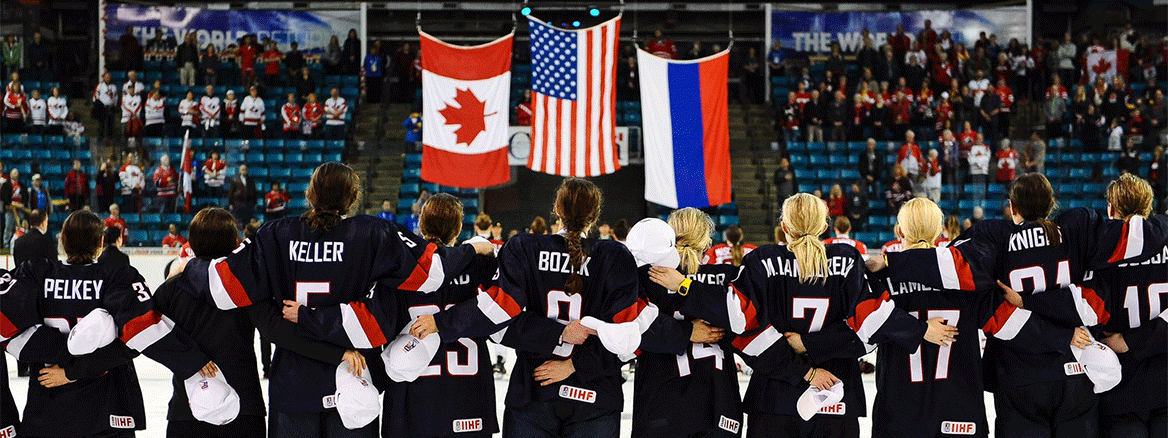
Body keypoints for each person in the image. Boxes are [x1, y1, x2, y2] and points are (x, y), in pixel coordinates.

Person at [175, 162, 493, 438]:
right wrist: (469, 249)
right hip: (355, 384)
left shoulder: (274, 234)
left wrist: (188, 268)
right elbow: (431, 272)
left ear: (310, 194)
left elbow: (221, 284)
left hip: (294, 386)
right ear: (352, 197)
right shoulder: (374, 233)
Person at [883, 173, 1168, 438]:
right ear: (1051, 202)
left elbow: (963, 278)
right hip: (1077, 373)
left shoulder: (995, 236)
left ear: (1012, 206)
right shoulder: (1077, 227)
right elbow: (1098, 299)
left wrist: (889, 263)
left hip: (1018, 378)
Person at [852, 197, 1073, 438]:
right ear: (939, 231)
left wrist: (916, 329)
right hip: (961, 414)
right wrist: (1064, 336)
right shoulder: (966, 279)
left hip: (898, 413)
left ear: (899, 230)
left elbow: (863, 329)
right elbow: (1009, 324)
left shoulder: (879, 279)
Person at [292, 193, 504, 438]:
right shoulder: (482, 267)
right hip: (469, 397)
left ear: (421, 225)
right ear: (459, 227)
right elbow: (502, 318)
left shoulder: (401, 273)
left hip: (411, 402)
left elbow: (368, 325)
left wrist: (308, 318)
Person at [0, 210, 213, 438]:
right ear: (100, 243)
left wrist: (63, 360)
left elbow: (7, 327)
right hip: (106, 408)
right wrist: (191, 359)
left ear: (62, 241)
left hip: (48, 409)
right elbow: (142, 331)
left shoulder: (35, 274)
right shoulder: (116, 277)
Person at [480, 178, 651, 437]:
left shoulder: (524, 248)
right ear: (594, 215)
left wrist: (556, 334)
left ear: (557, 210)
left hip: (533, 389)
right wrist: (577, 364)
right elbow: (628, 341)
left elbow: (498, 324)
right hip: (595, 394)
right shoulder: (615, 256)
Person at [728, 193, 867, 438]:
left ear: (783, 228)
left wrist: (802, 367)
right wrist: (812, 346)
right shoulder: (849, 260)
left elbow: (744, 333)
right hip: (836, 395)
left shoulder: (760, 262)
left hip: (774, 398)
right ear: (825, 227)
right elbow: (868, 331)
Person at [632, 209, 742, 437]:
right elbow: (742, 321)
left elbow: (635, 329)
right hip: (718, 401)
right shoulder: (728, 277)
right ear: (707, 241)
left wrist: (683, 330)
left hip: (661, 401)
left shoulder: (647, 277)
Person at [1087, 175, 1168, 438]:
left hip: (1120, 386)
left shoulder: (1099, 251)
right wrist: (1139, 339)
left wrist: (1127, 340)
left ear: (1111, 209)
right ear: (1148, 207)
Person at [1, 168, 25, 248]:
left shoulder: (22, 185)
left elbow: (25, 197)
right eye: (14, 173)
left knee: (19, 226)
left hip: (20, 209)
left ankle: (18, 243)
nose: (16, 174)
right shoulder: (6, 185)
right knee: (8, 226)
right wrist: (9, 204)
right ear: (11, 174)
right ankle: (6, 243)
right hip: (10, 209)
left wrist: (23, 205)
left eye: (17, 173)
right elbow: (4, 196)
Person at [93, 72, 118, 141]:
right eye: (106, 77)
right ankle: (100, 138)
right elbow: (96, 95)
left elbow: (116, 97)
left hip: (111, 107)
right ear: (104, 78)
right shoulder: (100, 86)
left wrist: (114, 105)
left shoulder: (114, 86)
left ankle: (109, 138)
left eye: (109, 77)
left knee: (110, 124)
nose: (108, 79)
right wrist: (98, 104)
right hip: (102, 107)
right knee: (102, 123)